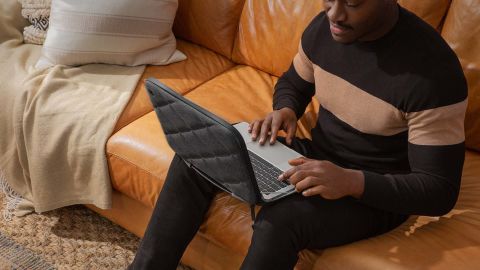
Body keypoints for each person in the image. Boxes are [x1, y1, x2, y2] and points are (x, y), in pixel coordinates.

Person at [129, 0, 468, 269]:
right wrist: (286, 109)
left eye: (353, 3)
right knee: (199, 154)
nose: (335, 13)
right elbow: (294, 82)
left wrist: (350, 181)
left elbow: (438, 191)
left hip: (373, 193)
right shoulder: (326, 29)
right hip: (314, 156)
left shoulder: (433, 75)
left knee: (280, 222)